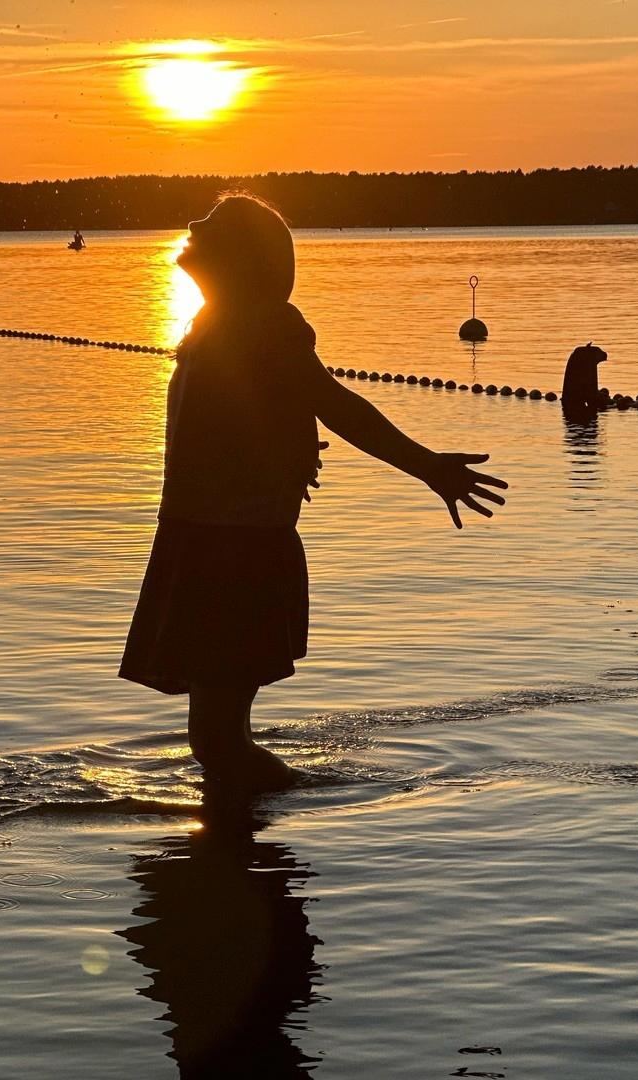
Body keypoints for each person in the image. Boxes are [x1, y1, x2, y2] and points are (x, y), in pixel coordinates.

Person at [119, 193, 507, 793]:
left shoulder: (263, 322)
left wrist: (427, 466)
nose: (194, 224)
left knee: (219, 742)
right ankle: (239, 850)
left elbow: (335, 405)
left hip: (235, 551)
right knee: (215, 742)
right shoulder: (216, 322)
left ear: (242, 257)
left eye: (213, 224)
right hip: (199, 542)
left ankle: (281, 830)